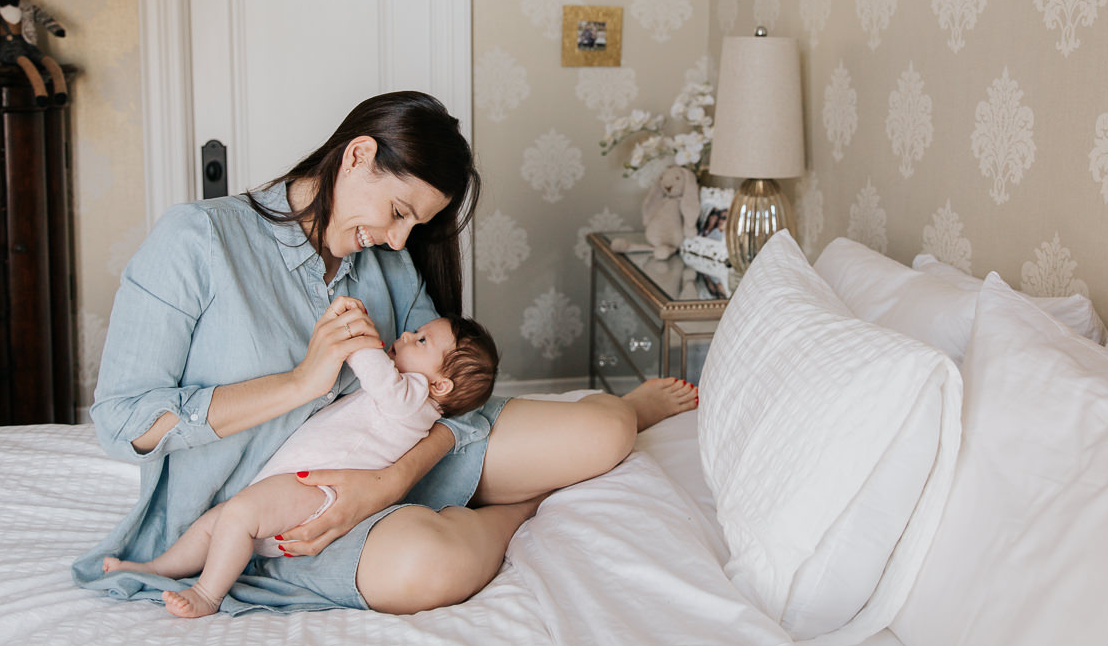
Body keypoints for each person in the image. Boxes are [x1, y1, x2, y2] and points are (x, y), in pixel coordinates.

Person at [74, 91, 696, 616]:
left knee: (604, 430)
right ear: (358, 155)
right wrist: (300, 383)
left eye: (413, 226)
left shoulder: (385, 259)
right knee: (432, 568)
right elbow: (122, 422)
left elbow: (445, 393)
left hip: (395, 459)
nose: (399, 240)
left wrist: (388, 482)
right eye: (399, 212)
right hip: (272, 516)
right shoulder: (198, 240)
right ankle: (519, 509)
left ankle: (591, 441)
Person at [102, 311, 497, 618]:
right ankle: (157, 567)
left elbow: (376, 373)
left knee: (236, 517)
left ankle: (208, 594)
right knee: (219, 522)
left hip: (316, 493)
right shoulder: (411, 397)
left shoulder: (413, 399)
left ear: (440, 385)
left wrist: (354, 334)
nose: (408, 335)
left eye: (422, 340)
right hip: (299, 489)